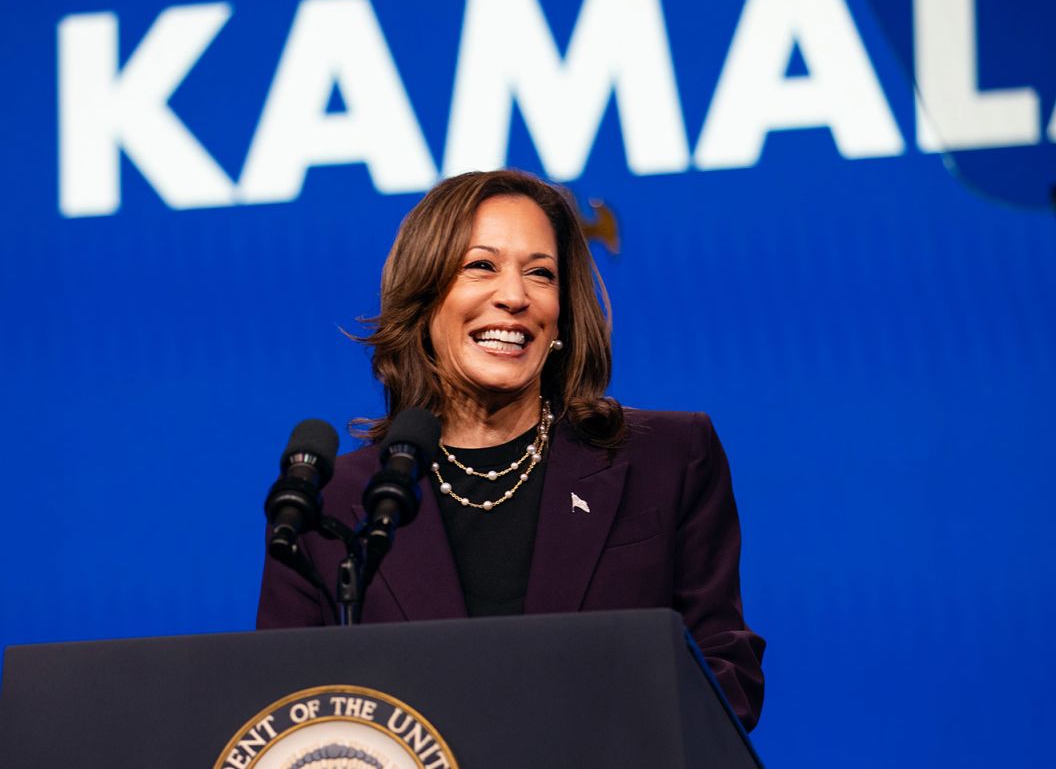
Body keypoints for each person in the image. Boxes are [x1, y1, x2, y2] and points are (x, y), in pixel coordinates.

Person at [257, 169, 765, 730]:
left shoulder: (668, 458)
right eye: (481, 266)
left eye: (540, 274)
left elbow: (727, 674)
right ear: (425, 300)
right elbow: (287, 717)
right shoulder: (334, 504)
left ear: (562, 316)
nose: (515, 297)